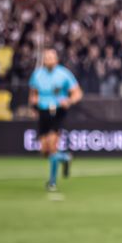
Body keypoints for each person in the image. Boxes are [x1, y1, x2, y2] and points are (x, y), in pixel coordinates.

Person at [29, 47, 81, 191]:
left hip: (58, 111)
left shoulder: (64, 74)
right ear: (43, 60)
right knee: (44, 151)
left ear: (56, 59)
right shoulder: (37, 74)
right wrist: (33, 106)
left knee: (53, 146)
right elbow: (33, 94)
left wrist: (69, 101)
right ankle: (65, 158)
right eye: (47, 58)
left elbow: (77, 93)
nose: (49, 60)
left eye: (52, 57)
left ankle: (52, 182)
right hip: (43, 111)